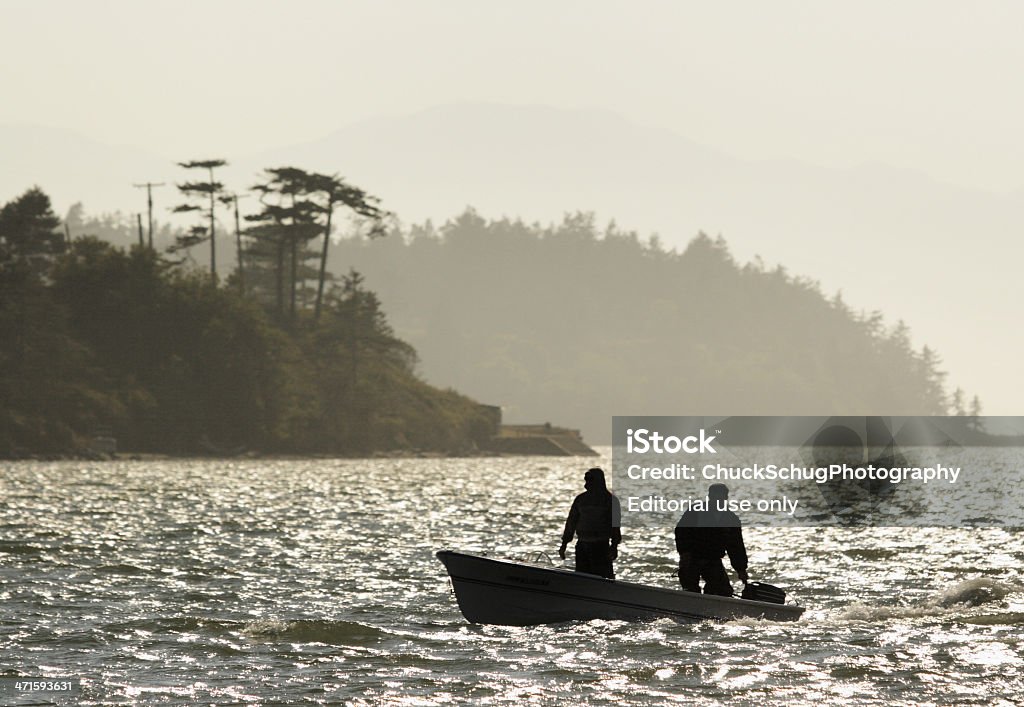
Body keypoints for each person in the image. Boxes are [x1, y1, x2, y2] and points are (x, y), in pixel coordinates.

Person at [675, 483, 748, 596]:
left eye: (721, 496)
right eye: (715, 496)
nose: (717, 499)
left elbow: (736, 546)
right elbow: (681, 533)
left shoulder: (731, 519)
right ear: (709, 496)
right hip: (692, 558)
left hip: (713, 560)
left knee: (723, 591)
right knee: (690, 589)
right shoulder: (696, 511)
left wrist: (741, 569)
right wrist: (684, 553)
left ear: (726, 498)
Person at [558, 467, 621, 579]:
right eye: (586, 479)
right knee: (582, 578)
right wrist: (564, 545)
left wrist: (614, 546)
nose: (587, 482)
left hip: (601, 546)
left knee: (603, 578)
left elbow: (615, 526)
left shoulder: (610, 501)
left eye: (590, 479)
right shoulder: (581, 499)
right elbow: (571, 523)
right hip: (582, 545)